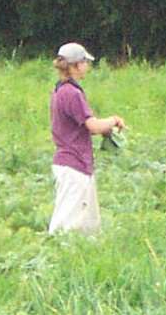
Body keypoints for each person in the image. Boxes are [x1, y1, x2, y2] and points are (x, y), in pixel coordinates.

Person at [48, 42, 125, 234]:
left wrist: (105, 127)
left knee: (87, 224)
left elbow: (84, 127)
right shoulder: (72, 93)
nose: (87, 67)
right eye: (85, 62)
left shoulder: (60, 90)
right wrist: (114, 120)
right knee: (67, 223)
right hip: (74, 165)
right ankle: (57, 254)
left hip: (74, 164)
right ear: (75, 65)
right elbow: (93, 125)